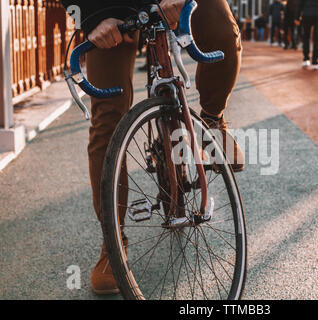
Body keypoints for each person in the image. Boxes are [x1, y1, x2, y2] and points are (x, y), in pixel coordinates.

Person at [61, 0, 245, 295]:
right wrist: (92, 15)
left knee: (223, 30)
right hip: (111, 6)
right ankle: (113, 241)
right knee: (107, 121)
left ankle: (212, 119)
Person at [297, 0, 318, 70]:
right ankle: (315, 62)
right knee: (317, 38)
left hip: (307, 13)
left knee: (306, 36)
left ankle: (306, 58)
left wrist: (297, 16)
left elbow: (300, 3)